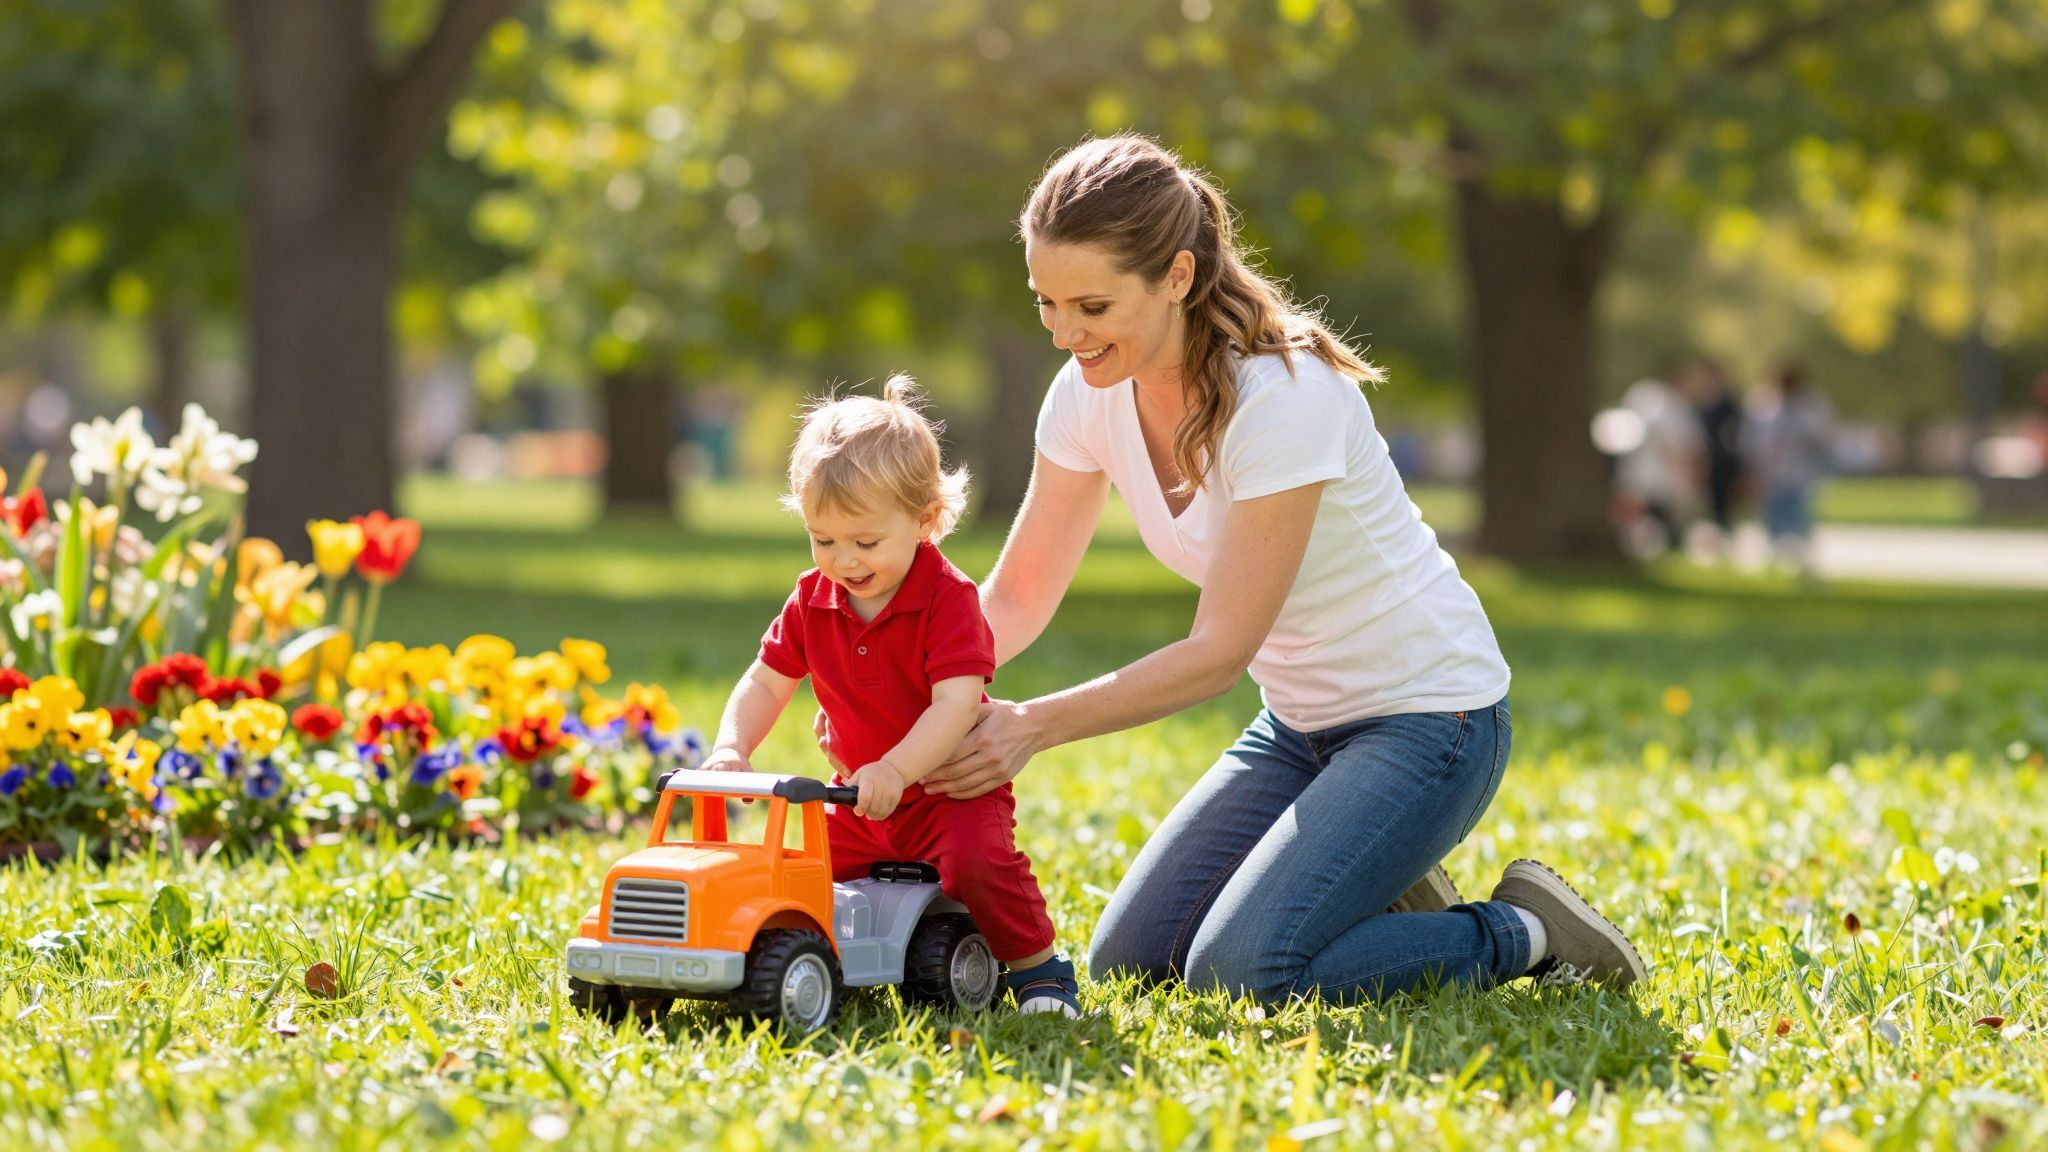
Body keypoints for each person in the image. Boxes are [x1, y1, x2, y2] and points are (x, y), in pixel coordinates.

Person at [917, 135, 1646, 1005]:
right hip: (1300, 730)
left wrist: (1031, 725)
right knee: (1130, 966)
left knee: (1243, 971)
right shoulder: (1086, 391)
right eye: (1046, 302)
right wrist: (910, 683)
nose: (1066, 332)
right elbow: (1018, 595)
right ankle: (1372, 879)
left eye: (1092, 305)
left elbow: (1219, 652)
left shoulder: (1283, 394)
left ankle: (1523, 931)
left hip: (1429, 722)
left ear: (1177, 277)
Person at [703, 377, 1080, 1015]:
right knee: (795, 871)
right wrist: (730, 746)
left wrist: (900, 770)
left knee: (977, 864)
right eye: (823, 540)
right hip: (854, 798)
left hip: (947, 792)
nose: (844, 560)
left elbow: (955, 704)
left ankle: (1038, 970)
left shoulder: (948, 600)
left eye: (866, 542)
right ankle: (803, 965)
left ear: (926, 520)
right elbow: (766, 680)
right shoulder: (812, 600)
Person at [1743, 362, 1832, 570]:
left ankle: (1803, 557)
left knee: (1800, 517)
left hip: (1799, 473)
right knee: (1771, 517)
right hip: (1771, 473)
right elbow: (1754, 442)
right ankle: (1773, 556)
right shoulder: (1764, 405)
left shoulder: (1811, 408)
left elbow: (1821, 439)